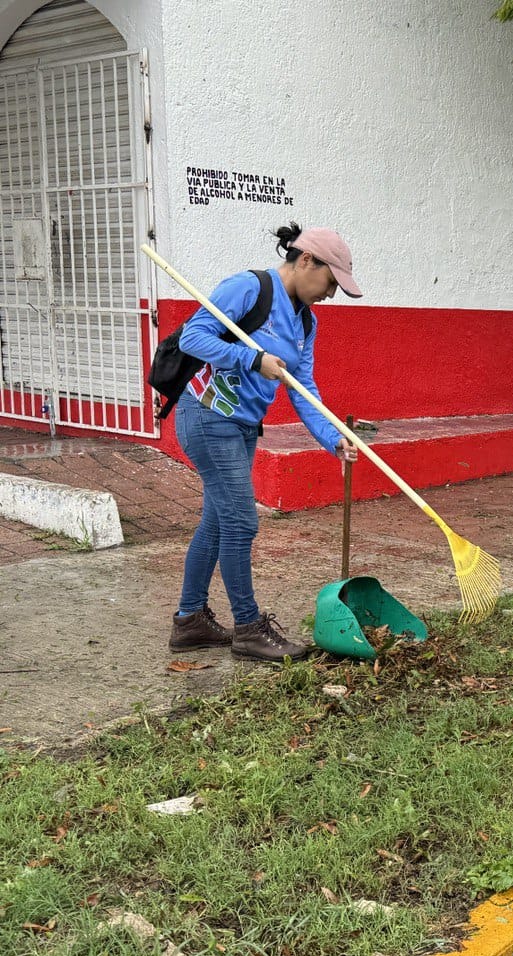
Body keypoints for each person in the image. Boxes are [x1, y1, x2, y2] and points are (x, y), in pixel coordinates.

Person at [168, 223, 362, 662]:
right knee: (241, 522)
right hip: (206, 415)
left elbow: (303, 388)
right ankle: (249, 628)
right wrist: (253, 358)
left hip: (241, 427)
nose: (330, 294)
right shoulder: (249, 288)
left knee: (218, 525)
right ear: (306, 261)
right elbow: (193, 337)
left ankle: (189, 621)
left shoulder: (305, 322)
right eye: (330, 282)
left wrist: (333, 438)